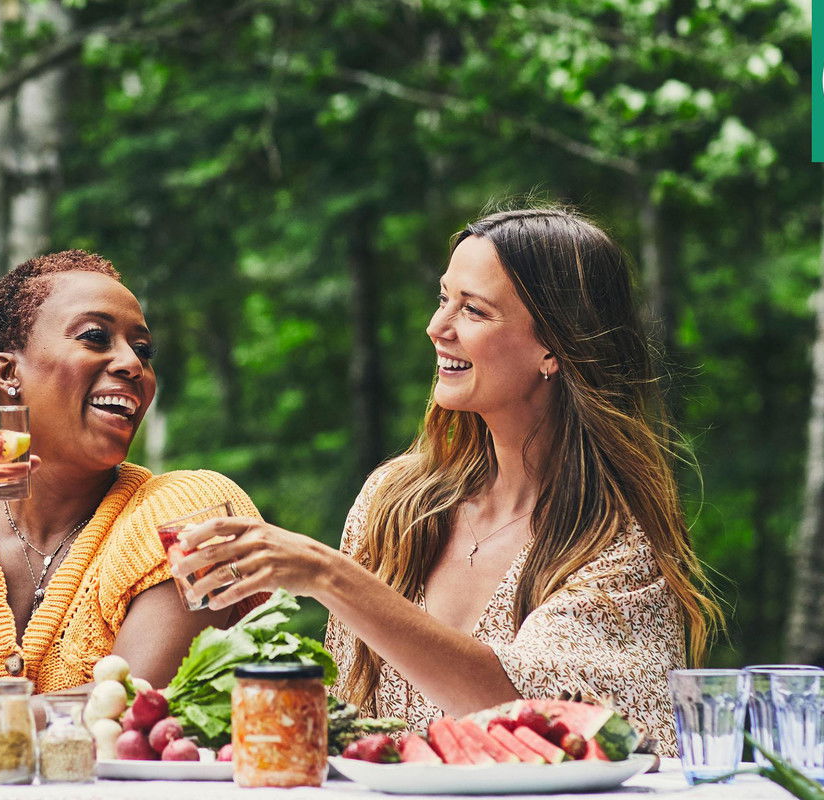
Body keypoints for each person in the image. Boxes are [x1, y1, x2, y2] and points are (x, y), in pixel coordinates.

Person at [172, 207, 720, 756]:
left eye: (474, 310)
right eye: (443, 299)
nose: (437, 328)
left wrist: (325, 574)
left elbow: (532, 718)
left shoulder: (618, 544)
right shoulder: (394, 502)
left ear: (553, 347)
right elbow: (350, 724)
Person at [0, 250, 258, 741]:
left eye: (143, 350)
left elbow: (133, 714)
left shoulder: (185, 514)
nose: (132, 364)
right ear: (7, 372)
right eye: (95, 337)